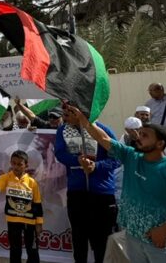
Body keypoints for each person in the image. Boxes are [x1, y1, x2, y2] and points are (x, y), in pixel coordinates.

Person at [66, 103, 166, 263]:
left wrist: (164, 230)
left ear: (160, 144)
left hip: (160, 244)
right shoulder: (131, 157)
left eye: (145, 135)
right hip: (133, 237)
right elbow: (102, 138)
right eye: (140, 133)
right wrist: (83, 118)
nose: (139, 137)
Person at [54, 103, 120, 263]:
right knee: (79, 238)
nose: (65, 114)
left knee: (102, 240)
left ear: (81, 112)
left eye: (70, 111)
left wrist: (95, 166)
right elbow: (60, 153)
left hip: (102, 194)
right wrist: (76, 160)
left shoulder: (103, 130)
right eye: (64, 111)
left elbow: (117, 158)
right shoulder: (62, 131)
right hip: (77, 193)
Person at [0, 150, 43, 263]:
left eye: (19, 164)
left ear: (26, 165)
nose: (16, 166)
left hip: (30, 222)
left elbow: (37, 203)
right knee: (15, 249)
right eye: (13, 163)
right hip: (13, 220)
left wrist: (39, 223)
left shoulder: (32, 182)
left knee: (32, 249)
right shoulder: (6, 177)